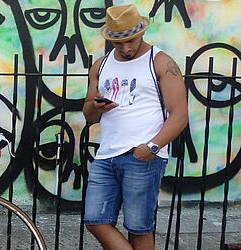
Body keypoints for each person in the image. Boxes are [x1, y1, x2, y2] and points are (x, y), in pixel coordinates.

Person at [82, 4, 188, 250]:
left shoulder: (160, 62)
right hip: (106, 155)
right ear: (110, 39)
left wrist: (151, 147)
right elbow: (88, 114)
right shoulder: (101, 65)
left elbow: (180, 114)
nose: (126, 48)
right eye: (119, 43)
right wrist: (97, 106)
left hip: (142, 156)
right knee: (95, 220)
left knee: (139, 229)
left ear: (141, 31)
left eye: (131, 40)